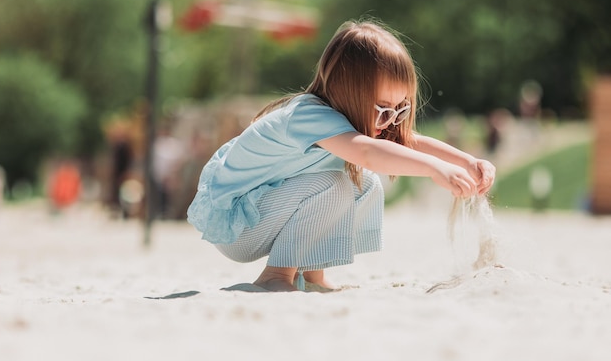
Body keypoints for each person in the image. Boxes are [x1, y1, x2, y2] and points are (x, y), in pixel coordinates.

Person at [187, 19, 496, 292]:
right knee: (334, 184)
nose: (391, 120)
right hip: (235, 224)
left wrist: (466, 162)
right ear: (348, 93)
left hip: (260, 214)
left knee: (365, 184)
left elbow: (406, 142)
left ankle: (311, 275)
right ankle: (276, 275)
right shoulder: (310, 115)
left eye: (400, 109)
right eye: (383, 109)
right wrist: (434, 169)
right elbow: (368, 153)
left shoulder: (352, 121)